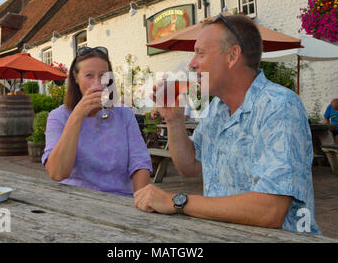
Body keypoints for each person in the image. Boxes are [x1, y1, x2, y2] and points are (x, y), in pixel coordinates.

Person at [134, 13, 321, 235]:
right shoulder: (216, 108)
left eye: (200, 53)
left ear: (232, 56)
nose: (192, 64)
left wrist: (177, 201)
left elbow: (270, 210)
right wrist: (174, 121)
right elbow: (189, 167)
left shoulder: (279, 106)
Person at [42, 46, 152, 197]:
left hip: (121, 200)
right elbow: (57, 173)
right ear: (75, 77)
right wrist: (77, 116)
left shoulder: (124, 115)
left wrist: (141, 199)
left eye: (103, 76)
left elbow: (140, 164)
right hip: (76, 200)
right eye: (89, 75)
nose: (98, 83)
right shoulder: (58, 116)